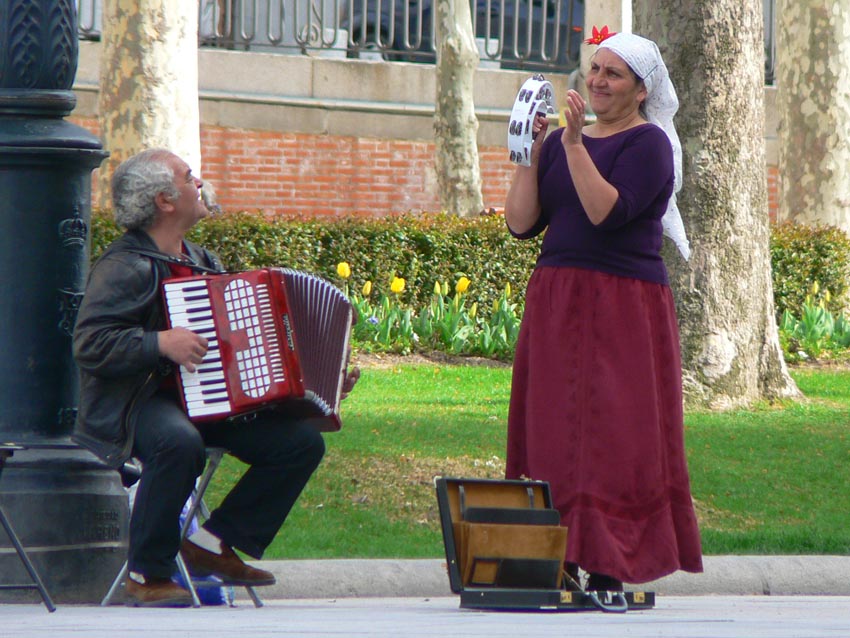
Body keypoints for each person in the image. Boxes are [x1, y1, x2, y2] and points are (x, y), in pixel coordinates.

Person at [73, 149, 360, 607]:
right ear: (165, 200)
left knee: (300, 443)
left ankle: (210, 544)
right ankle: (147, 573)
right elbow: (90, 345)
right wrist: (160, 343)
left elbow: (241, 349)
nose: (200, 182)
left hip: (206, 397)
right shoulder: (127, 267)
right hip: (136, 404)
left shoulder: (202, 260)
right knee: (178, 442)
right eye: (190, 177)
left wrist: (314, 379)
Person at [503, 31, 703, 592]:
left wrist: (570, 146)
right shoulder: (566, 140)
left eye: (612, 74)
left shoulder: (649, 146)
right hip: (558, 298)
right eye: (595, 69)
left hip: (623, 305)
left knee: (616, 432)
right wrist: (527, 154)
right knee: (553, 426)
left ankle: (613, 562)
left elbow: (605, 213)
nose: (597, 82)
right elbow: (521, 225)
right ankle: (554, 554)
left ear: (642, 91)